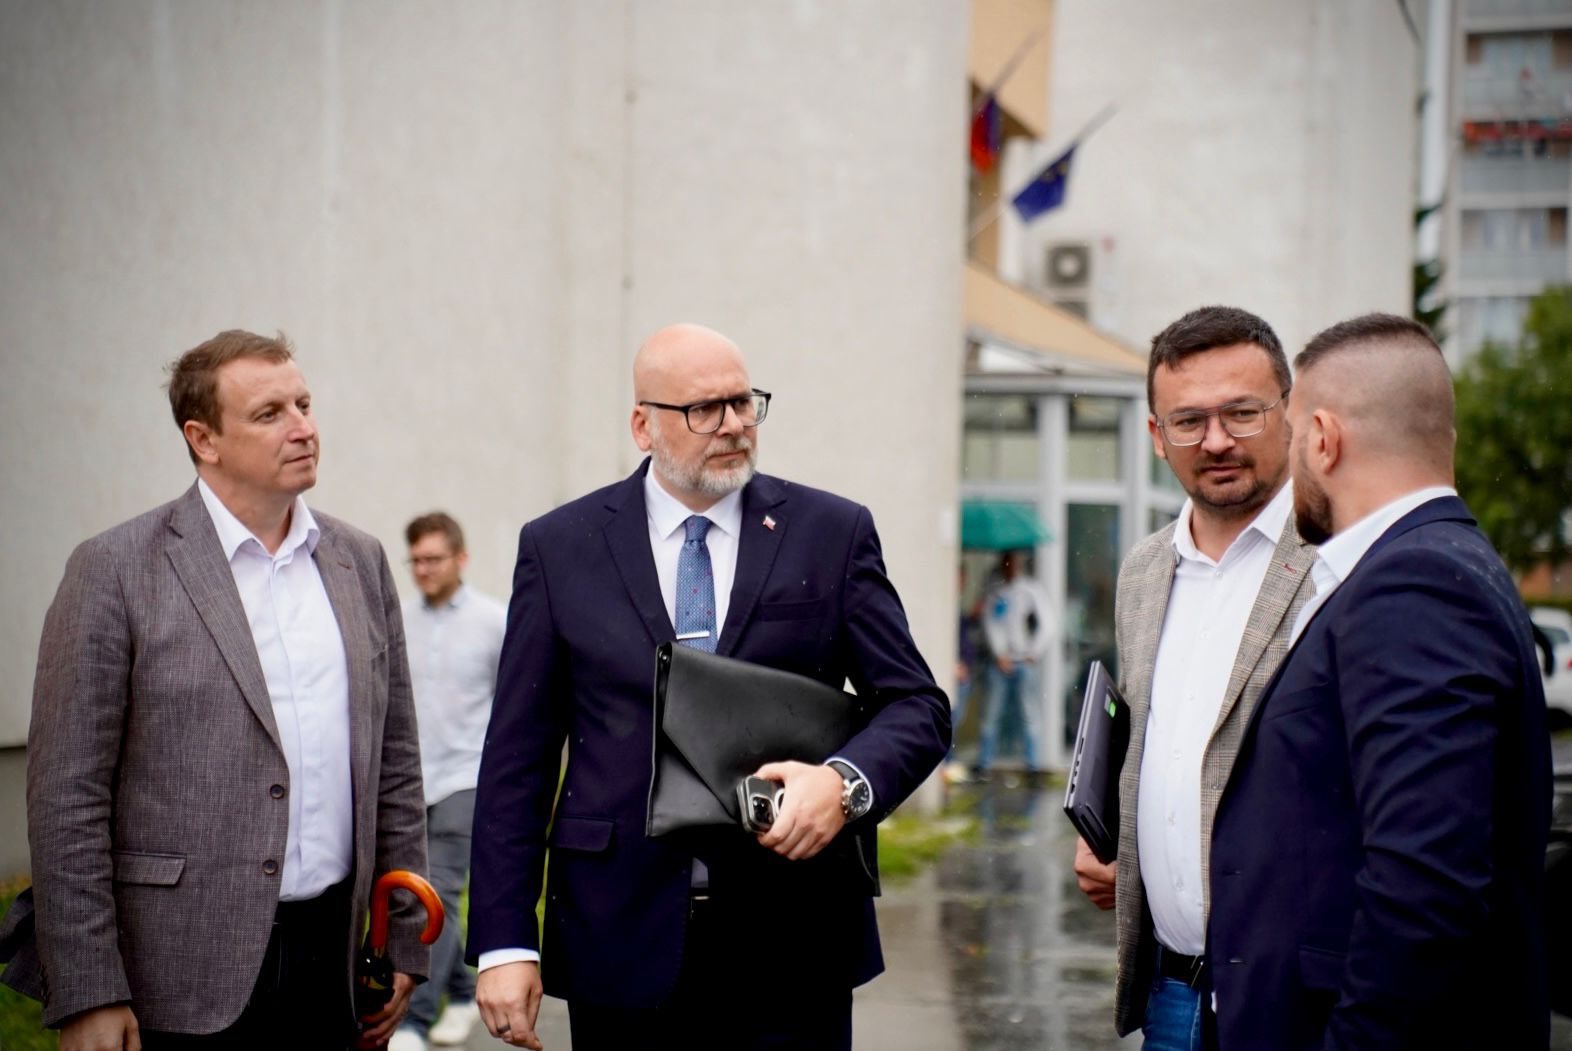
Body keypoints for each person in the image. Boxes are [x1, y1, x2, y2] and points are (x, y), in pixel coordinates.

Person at [467, 322, 950, 1050]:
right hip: (617, 937)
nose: (732, 424)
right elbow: (518, 756)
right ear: (643, 425)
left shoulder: (831, 532)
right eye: (703, 409)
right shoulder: (560, 546)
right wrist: (505, 940)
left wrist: (843, 784)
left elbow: (916, 706)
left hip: (794, 939)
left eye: (742, 402)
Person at [0, 330, 429, 1049]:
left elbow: (396, 760)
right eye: (269, 413)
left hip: (334, 960)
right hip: (175, 970)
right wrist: (89, 989)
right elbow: (67, 797)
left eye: (304, 404)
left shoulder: (359, 560)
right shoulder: (114, 570)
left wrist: (404, 938)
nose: (303, 427)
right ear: (203, 439)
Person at [1208, 313, 1551, 1048]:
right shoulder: (1433, 565)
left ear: (1323, 438)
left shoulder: (1414, 585)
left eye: (1291, 435)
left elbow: (1426, 885)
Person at [1071, 305, 1316, 1049]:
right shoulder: (1145, 570)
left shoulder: (1335, 560)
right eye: (1188, 421)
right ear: (1156, 435)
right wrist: (1117, 836)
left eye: (1241, 412)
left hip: (1293, 999)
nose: (1215, 441)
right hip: (1171, 993)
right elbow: (1156, 744)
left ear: (1289, 412)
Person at [390, 513, 506, 1051]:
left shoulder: (494, 621)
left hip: (467, 777)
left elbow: (514, 709)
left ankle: (412, 1021)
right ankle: (460, 992)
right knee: (411, 894)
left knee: (436, 893)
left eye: (433, 559)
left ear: (461, 558)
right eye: (415, 560)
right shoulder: (398, 620)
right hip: (410, 781)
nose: (422, 570)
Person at [973, 550, 1052, 781]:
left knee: (1028, 713)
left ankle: (1032, 764)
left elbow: (1047, 624)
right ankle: (984, 763)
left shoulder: (1030, 590)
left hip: (1023, 660)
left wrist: (1033, 651)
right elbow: (990, 624)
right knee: (992, 713)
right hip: (1002, 661)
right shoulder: (996, 591)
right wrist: (999, 654)